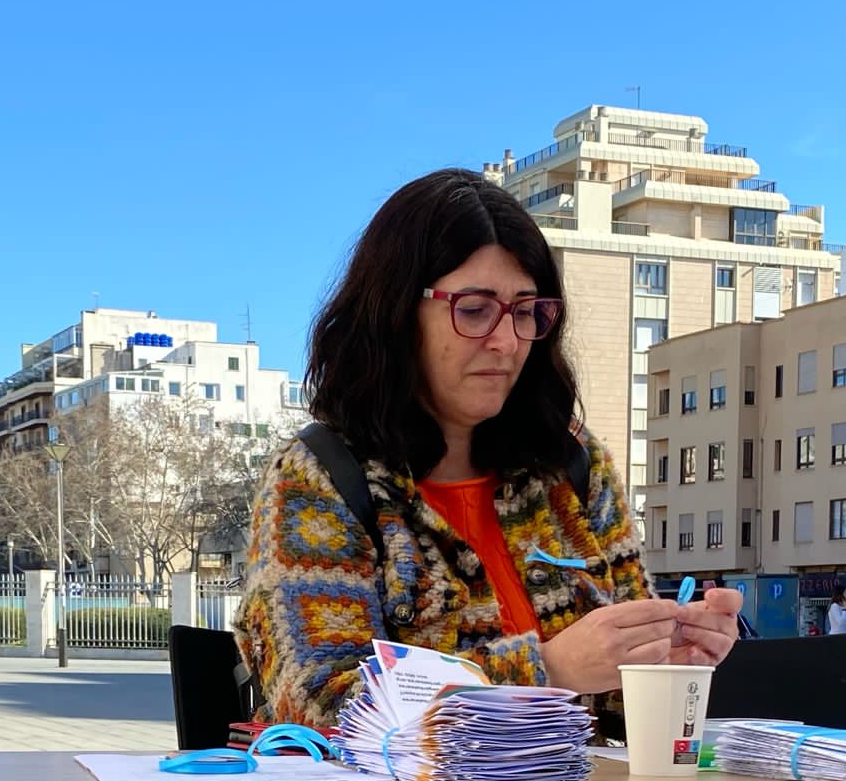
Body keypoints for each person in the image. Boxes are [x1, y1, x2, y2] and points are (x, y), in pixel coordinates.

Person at [237, 169, 740, 731]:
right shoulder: (320, 477)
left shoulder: (571, 463)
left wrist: (668, 661)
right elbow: (322, 702)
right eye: (475, 309)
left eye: (526, 312)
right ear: (397, 314)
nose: (507, 341)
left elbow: (617, 708)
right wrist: (547, 669)